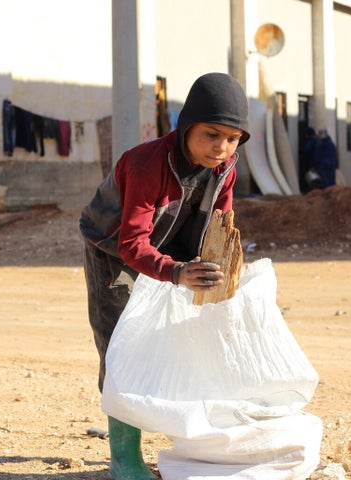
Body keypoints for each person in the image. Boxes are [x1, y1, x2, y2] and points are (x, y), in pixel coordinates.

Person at [78, 72, 250, 479]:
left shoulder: (225, 167)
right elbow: (132, 243)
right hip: (113, 247)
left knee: (180, 338)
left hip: (172, 249)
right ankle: (123, 459)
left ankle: (192, 444)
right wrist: (176, 273)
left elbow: (221, 224)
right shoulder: (145, 163)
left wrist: (220, 268)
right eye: (211, 134)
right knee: (122, 345)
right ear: (186, 127)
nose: (221, 147)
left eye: (232, 138)